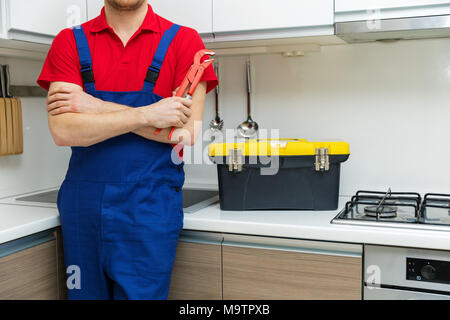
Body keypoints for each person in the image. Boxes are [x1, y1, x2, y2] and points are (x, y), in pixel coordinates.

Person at [37, 0, 218, 300]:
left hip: (150, 209)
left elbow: (185, 133)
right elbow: (63, 130)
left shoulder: (185, 42)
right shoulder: (68, 42)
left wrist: (93, 106)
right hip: (82, 210)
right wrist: (147, 115)